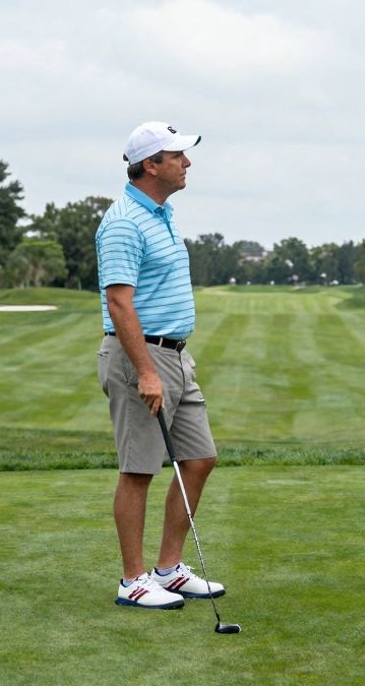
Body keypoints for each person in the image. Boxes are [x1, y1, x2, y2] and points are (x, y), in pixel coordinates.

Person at [96, 121, 226, 610]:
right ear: (152, 165)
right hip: (141, 358)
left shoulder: (161, 214)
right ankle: (133, 579)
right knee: (139, 470)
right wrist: (146, 370)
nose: (187, 163)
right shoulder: (126, 221)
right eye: (178, 156)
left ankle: (168, 570)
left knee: (199, 459)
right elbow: (119, 302)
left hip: (175, 355)